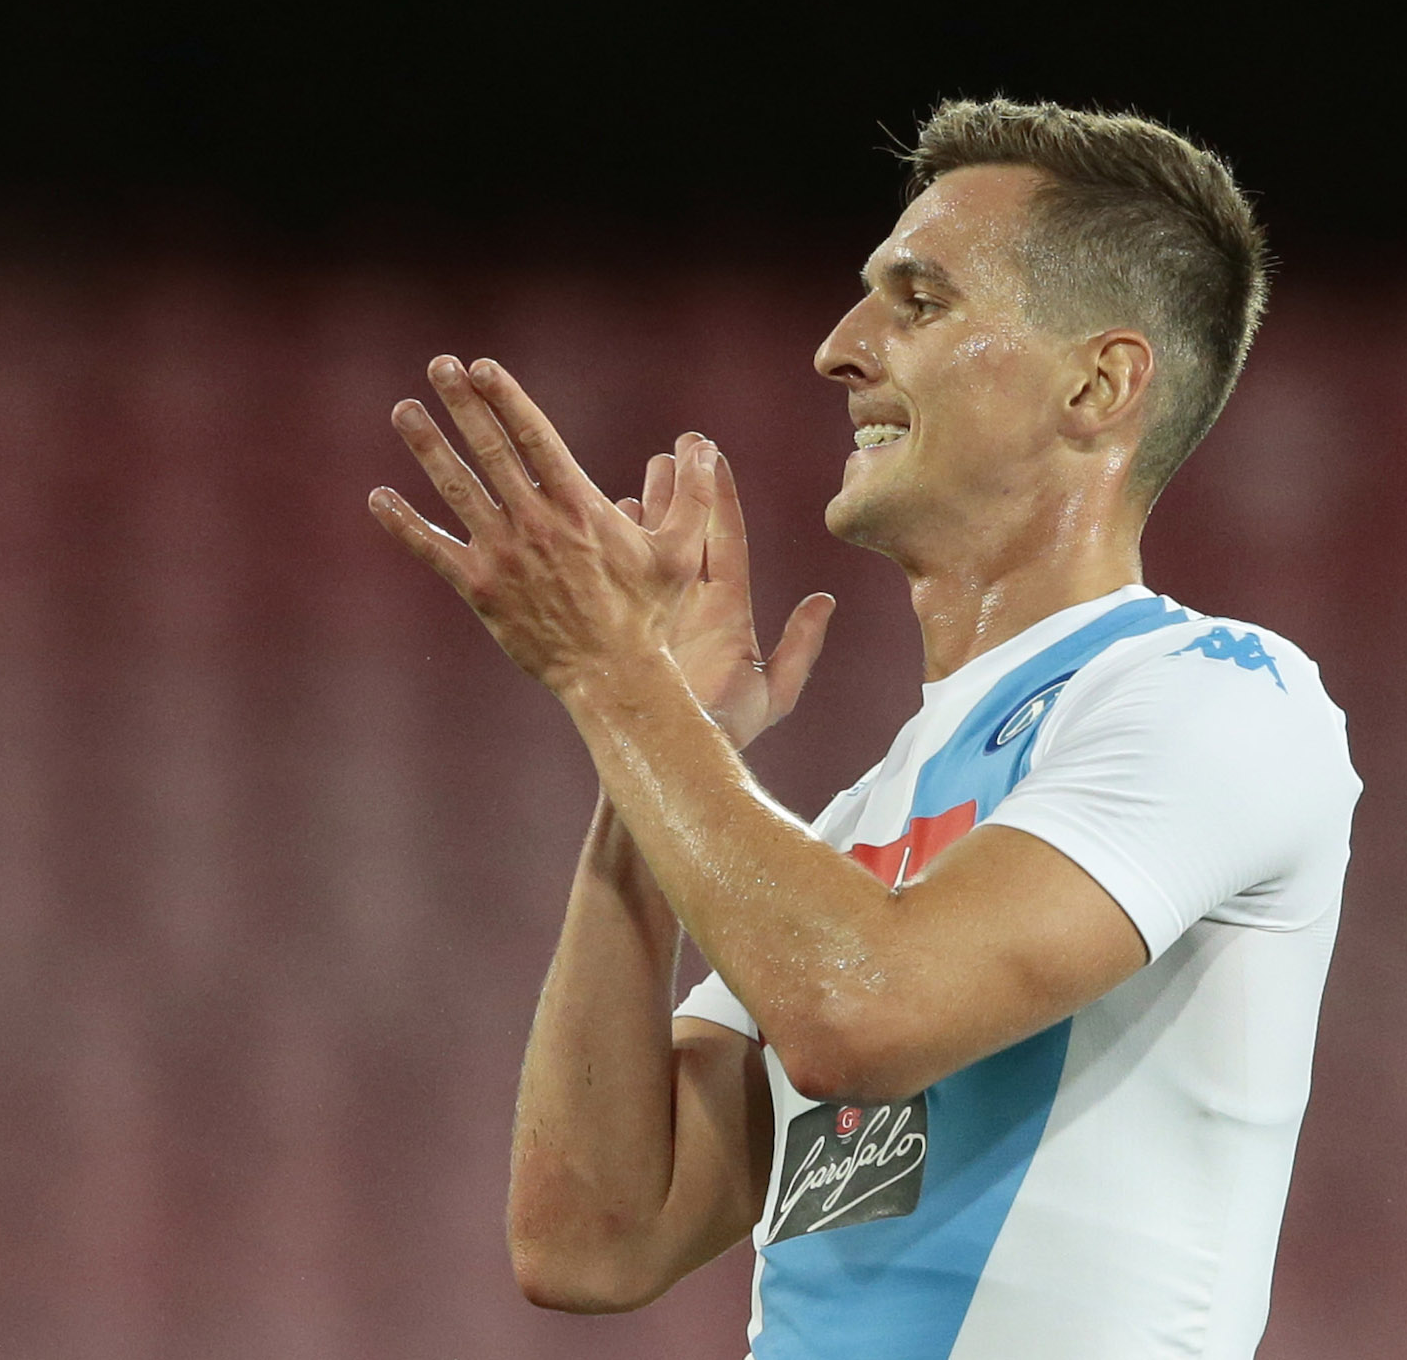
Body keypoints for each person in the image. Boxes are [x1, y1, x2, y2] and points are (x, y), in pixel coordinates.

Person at [367, 99, 1360, 1358]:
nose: (839, 348)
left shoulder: (1222, 695)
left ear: (1099, 383)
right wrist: (649, 740)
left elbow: (862, 1013)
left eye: (919, 300)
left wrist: (614, 677)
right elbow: (592, 1236)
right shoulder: (854, 829)